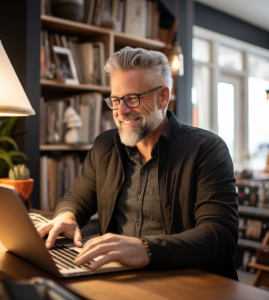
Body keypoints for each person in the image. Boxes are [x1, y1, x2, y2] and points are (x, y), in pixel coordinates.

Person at [35, 47, 238, 280]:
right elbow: (77, 198)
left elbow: (220, 236)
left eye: (132, 99)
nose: (121, 111)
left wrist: (147, 249)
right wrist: (66, 217)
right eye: (115, 100)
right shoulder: (105, 146)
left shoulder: (207, 149)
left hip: (187, 282)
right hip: (119, 279)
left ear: (163, 97)